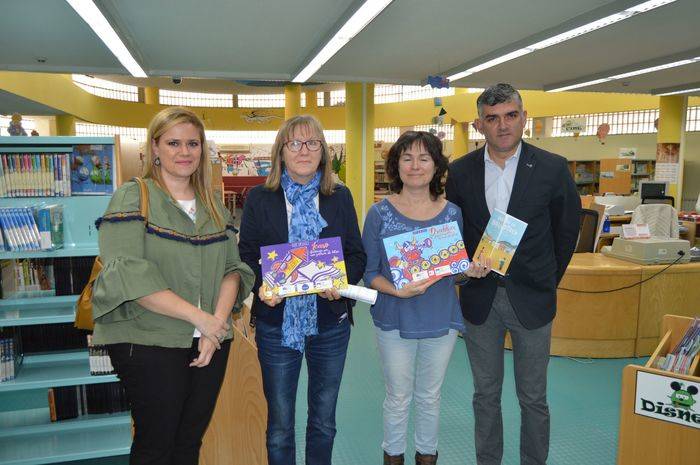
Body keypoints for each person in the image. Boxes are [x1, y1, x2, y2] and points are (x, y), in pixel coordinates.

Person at [91, 106, 255, 465]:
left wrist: (215, 326)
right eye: (174, 143)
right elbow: (130, 276)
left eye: (193, 143)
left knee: (188, 443)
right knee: (156, 445)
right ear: (155, 148)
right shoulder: (134, 197)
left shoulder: (213, 204)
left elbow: (234, 269)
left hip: (210, 341)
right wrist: (204, 321)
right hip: (148, 340)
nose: (184, 152)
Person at [445, 84, 581, 465]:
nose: (502, 125)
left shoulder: (553, 168)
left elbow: (566, 230)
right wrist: (463, 270)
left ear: (524, 118)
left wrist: (545, 279)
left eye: (510, 115)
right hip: (480, 299)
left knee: (533, 398)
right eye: (492, 118)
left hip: (533, 299)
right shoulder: (460, 172)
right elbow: (456, 232)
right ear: (479, 125)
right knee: (485, 394)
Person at [238, 115, 366, 465]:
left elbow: (356, 254)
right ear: (281, 153)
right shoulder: (260, 198)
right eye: (294, 143)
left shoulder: (339, 197)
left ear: (323, 152)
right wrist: (262, 284)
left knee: (323, 421)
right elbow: (246, 255)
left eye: (313, 143)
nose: (304, 150)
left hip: (330, 321)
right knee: (280, 425)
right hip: (277, 323)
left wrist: (339, 283)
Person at [362, 131, 490, 465]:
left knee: (430, 397)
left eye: (423, 158)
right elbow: (370, 272)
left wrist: (471, 272)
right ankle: (393, 457)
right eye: (406, 158)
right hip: (394, 316)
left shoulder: (452, 214)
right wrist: (396, 290)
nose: (415, 166)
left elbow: (453, 270)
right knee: (398, 396)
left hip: (441, 318)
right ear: (395, 166)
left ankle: (426, 457)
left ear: (436, 166)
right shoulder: (379, 214)